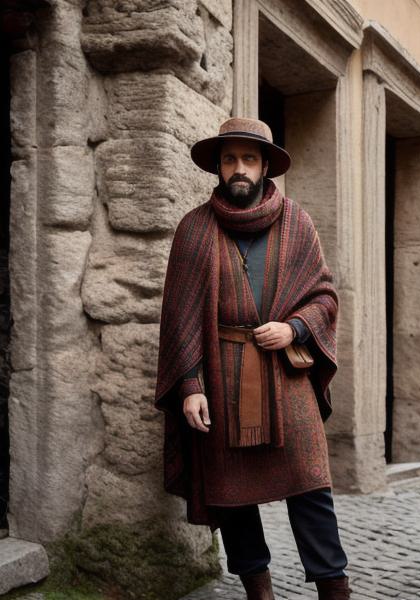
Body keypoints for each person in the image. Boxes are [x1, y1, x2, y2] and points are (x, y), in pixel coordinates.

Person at [155, 118, 351, 599]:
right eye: (229, 160)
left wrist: (294, 328)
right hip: (220, 377)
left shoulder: (297, 222)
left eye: (248, 159)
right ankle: (258, 591)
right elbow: (179, 316)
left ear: (265, 166)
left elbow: (324, 296)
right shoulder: (194, 229)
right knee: (232, 493)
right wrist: (191, 387)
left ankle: (334, 588)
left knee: (310, 485)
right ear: (219, 168)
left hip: (285, 373)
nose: (238, 169)